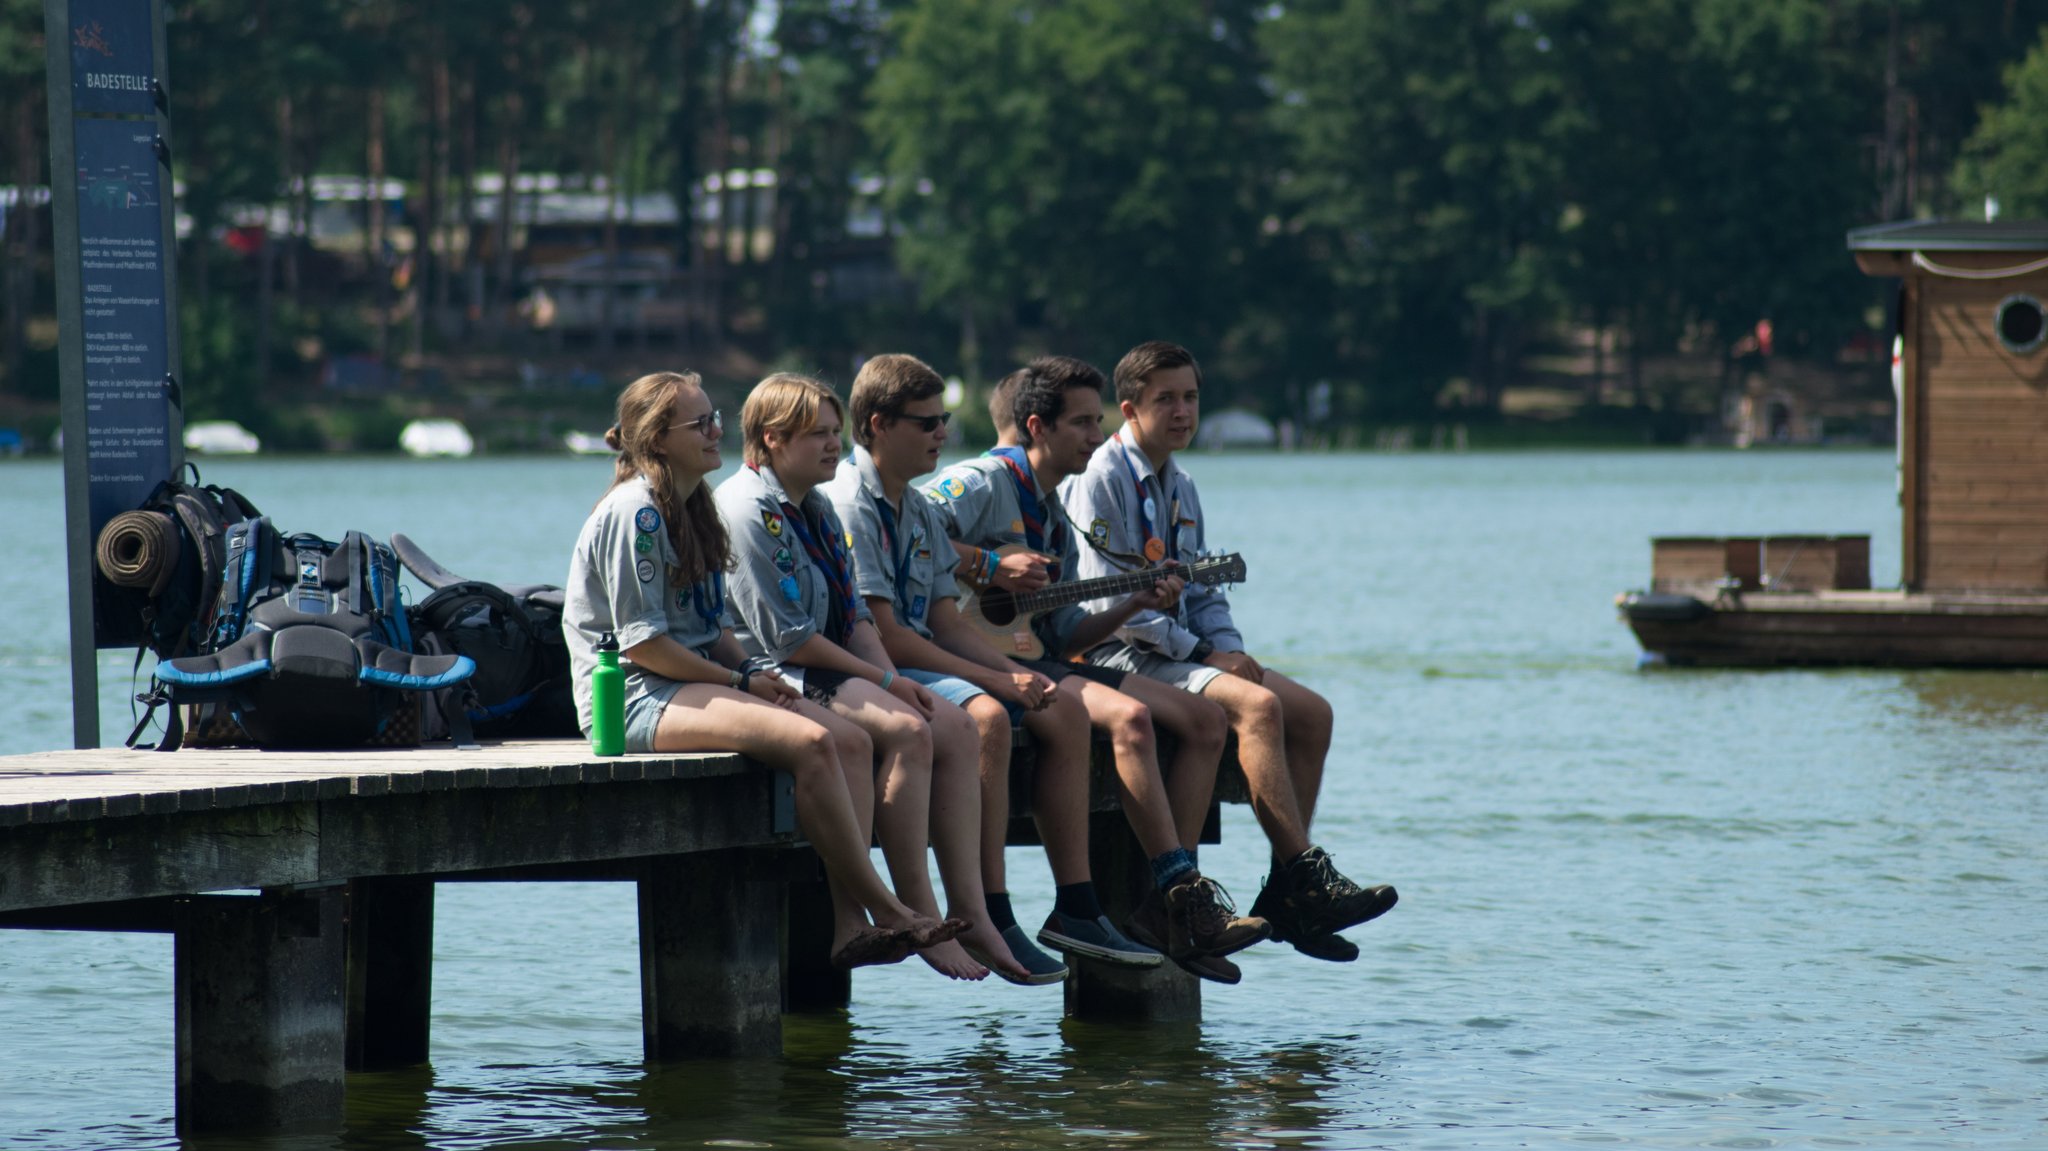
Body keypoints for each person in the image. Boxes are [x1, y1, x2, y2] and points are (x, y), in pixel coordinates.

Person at [563, 370, 961, 971]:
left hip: (691, 682)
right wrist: (739, 682)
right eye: (699, 424)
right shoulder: (637, 512)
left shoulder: (695, 505)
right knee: (814, 739)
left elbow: (712, 628)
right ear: (657, 439)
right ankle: (891, 908)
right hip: (636, 697)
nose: (716, 431)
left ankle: (851, 926)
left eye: (714, 417)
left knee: (851, 741)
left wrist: (749, 669)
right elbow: (644, 645)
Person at [921, 355, 1266, 984]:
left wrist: (1134, 601)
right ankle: (1097, 899)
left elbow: (1062, 635)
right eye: (1081, 423)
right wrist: (989, 567)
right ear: (1037, 427)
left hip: (1030, 656)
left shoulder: (1053, 513)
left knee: (1203, 718)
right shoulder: (982, 481)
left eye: (1096, 420)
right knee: (1128, 717)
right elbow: (907, 527)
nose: (1095, 435)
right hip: (953, 658)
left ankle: (1173, 900)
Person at [1062, 340, 1398, 962]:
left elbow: (1205, 591)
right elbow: (1103, 607)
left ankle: (1284, 896)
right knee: (1258, 709)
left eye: (1191, 397)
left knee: (1313, 712)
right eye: (1166, 399)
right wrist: (1204, 655)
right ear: (1129, 409)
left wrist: (1227, 648)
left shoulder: (1182, 485)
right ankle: (1283, 878)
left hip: (1183, 653)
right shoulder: (1099, 481)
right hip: (1117, 655)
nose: (1183, 411)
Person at [826, 353, 1099, 986]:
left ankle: (988, 910)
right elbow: (888, 636)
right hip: (866, 667)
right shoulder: (850, 503)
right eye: (926, 424)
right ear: (877, 425)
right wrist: (999, 682)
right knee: (986, 717)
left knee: (1026, 704)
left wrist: (1008, 670)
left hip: (911, 658)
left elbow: (947, 623)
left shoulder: (916, 509)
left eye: (944, 420)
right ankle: (982, 910)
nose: (942, 435)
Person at [712, 373, 991, 981]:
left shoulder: (814, 505)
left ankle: (964, 911)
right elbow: (789, 639)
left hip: (825, 661)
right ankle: (915, 911)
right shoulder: (748, 510)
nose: (834, 446)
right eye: (817, 435)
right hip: (776, 670)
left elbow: (856, 615)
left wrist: (896, 680)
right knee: (907, 731)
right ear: (772, 439)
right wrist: (887, 686)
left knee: (953, 725)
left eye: (836, 433)